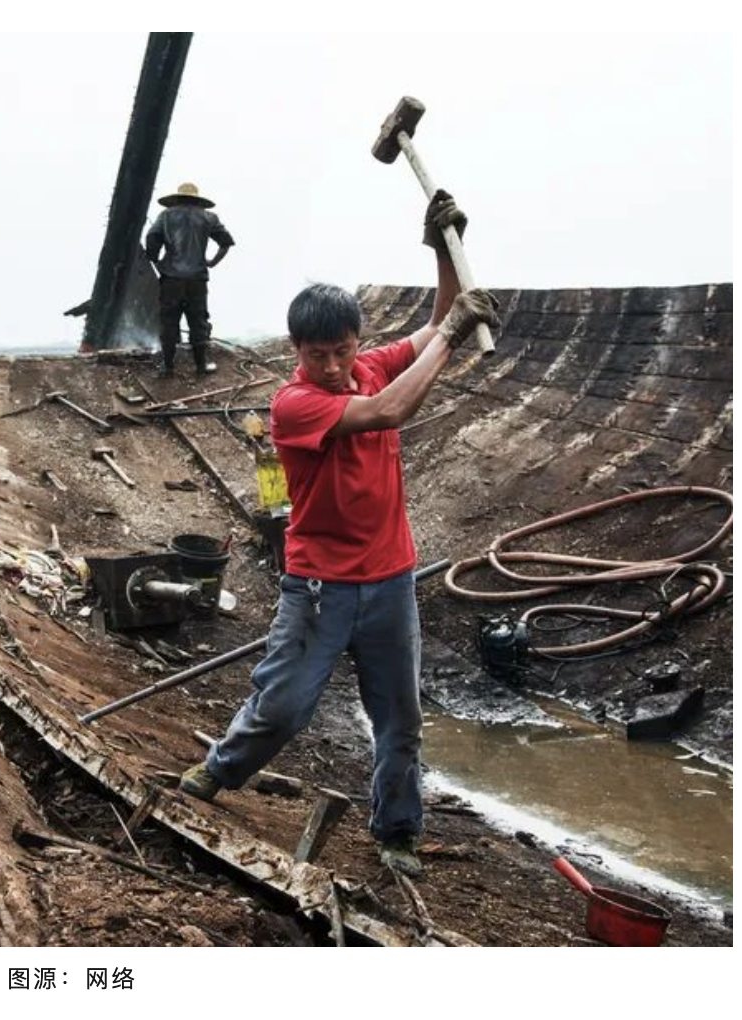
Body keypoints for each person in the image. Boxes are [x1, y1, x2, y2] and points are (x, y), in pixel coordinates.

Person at [176, 191, 500, 879]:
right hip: (319, 588)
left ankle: (398, 832)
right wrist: (451, 336)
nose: (331, 365)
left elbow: (436, 322)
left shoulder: (370, 366)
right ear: (296, 350)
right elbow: (387, 411)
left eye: (341, 351)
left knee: (400, 719)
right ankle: (222, 767)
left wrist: (443, 249)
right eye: (317, 354)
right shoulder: (295, 403)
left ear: (357, 341)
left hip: (389, 582)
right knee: (284, 706)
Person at [145, 182, 235, 377]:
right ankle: (201, 366)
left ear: (177, 198)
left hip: (171, 278)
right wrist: (212, 262)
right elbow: (226, 242)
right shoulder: (208, 217)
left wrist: (157, 261)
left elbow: (152, 238)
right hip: (197, 279)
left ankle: (168, 367)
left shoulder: (166, 215)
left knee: (169, 321)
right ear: (197, 199)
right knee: (198, 321)